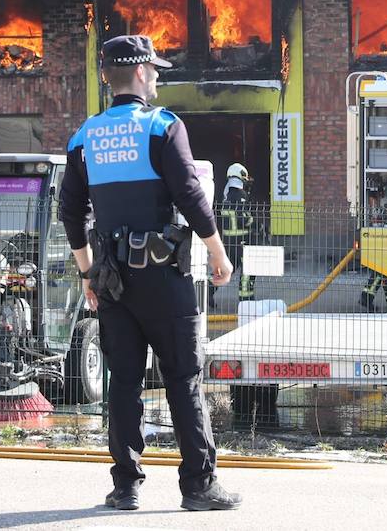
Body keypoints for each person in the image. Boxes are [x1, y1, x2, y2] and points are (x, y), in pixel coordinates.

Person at [59, 34, 243, 513]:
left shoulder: (84, 136)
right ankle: (199, 487)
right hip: (164, 278)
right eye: (155, 69)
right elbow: (190, 195)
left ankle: (125, 488)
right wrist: (218, 254)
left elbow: (70, 212)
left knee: (122, 382)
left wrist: (87, 275)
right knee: (183, 379)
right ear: (139, 73)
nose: (159, 76)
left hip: (113, 281)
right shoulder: (163, 127)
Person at [210, 162, 256, 309]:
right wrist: (254, 221)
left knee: (226, 269)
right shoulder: (240, 195)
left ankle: (207, 292)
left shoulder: (225, 195)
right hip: (242, 240)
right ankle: (246, 301)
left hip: (229, 241)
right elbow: (244, 219)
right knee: (248, 271)